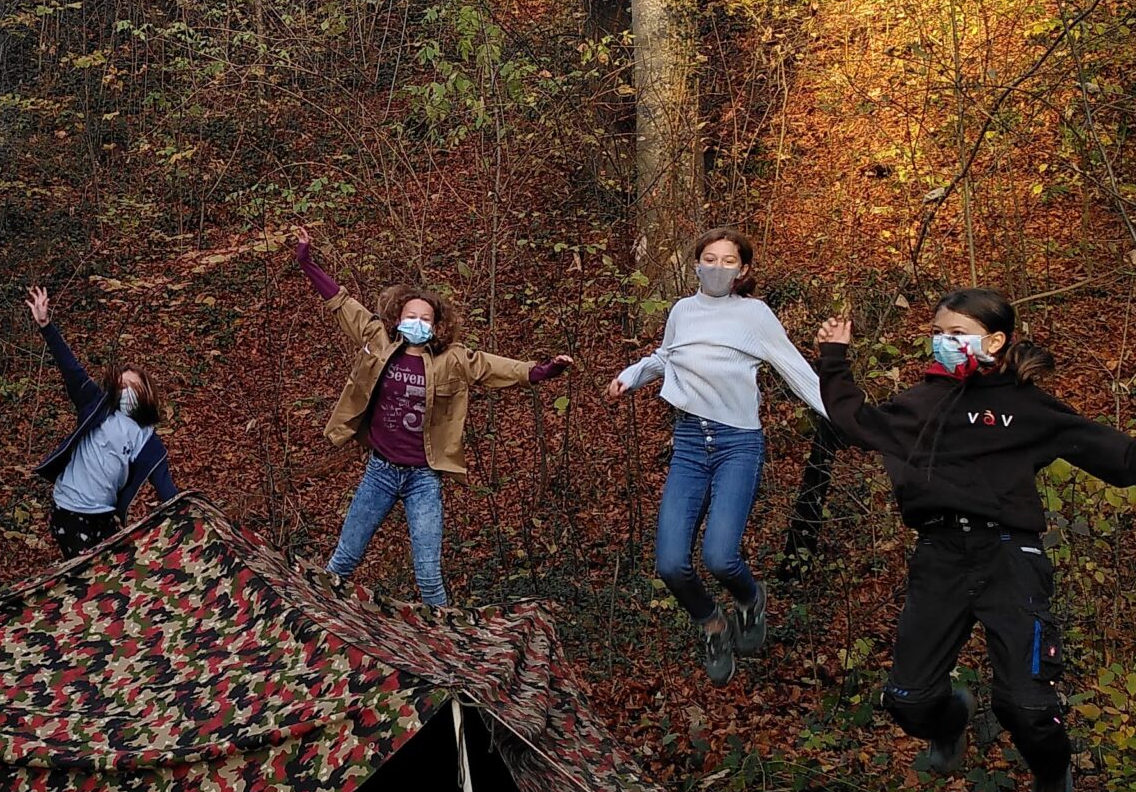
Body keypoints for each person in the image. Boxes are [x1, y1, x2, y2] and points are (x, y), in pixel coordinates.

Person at [814, 287, 1136, 792]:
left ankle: (1050, 767)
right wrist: (834, 358)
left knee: (1025, 704)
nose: (944, 342)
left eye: (959, 334)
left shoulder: (1028, 408)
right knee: (907, 699)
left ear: (995, 341)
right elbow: (854, 422)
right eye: (939, 332)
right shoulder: (917, 406)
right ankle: (950, 721)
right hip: (939, 556)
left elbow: (1128, 461)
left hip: (1009, 557)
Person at [293, 231, 571, 611]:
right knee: (344, 559)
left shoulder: (452, 359)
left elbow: (494, 367)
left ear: (437, 325)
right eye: (411, 316)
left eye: (426, 318)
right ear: (398, 319)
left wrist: (542, 371)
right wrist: (307, 261)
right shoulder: (379, 341)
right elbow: (343, 305)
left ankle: (448, 646)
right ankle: (312, 618)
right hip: (380, 472)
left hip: (424, 477)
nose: (418, 322)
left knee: (428, 575)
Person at [607, 226, 829, 684]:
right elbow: (666, 356)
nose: (718, 267)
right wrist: (633, 374)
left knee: (721, 558)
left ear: (743, 270)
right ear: (696, 264)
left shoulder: (755, 315)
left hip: (738, 444)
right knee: (670, 564)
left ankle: (750, 600)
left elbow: (796, 370)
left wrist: (848, 415)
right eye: (710, 258)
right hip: (689, 444)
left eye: (729, 261)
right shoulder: (682, 310)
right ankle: (711, 622)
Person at [24, 286, 178, 556]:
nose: (125, 390)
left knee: (115, 573)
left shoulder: (148, 441)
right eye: (122, 385)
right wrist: (46, 326)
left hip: (104, 514)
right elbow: (71, 368)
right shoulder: (97, 406)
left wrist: (187, 521)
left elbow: (167, 491)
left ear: (146, 394)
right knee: (85, 576)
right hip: (69, 507)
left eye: (132, 385)